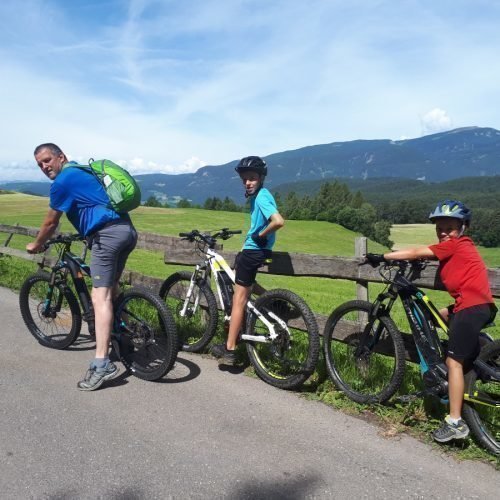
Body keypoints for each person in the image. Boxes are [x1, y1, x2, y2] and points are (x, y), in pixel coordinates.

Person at [367, 200, 496, 443]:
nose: (444, 233)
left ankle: (455, 422)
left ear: (463, 228)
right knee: (433, 318)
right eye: (440, 229)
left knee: (453, 362)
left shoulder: (457, 245)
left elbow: (416, 252)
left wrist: (381, 256)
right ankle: (481, 350)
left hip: (471, 307)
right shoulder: (457, 248)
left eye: (451, 228)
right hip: (471, 306)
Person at [26, 143, 138, 391]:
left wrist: (36, 244)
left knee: (100, 297)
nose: (44, 167)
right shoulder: (83, 172)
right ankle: (126, 337)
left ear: (61, 157)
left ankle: (102, 363)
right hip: (126, 231)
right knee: (112, 288)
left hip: (106, 236)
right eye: (39, 164)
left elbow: (50, 222)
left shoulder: (63, 181)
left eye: (47, 160)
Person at [211, 156, 284, 365]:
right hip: (255, 252)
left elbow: (278, 221)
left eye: (252, 178)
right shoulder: (262, 195)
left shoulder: (261, 196)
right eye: (244, 179)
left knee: (238, 300)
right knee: (246, 286)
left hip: (254, 252)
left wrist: (259, 235)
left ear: (261, 178)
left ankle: (230, 349)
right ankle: (274, 300)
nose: (248, 182)